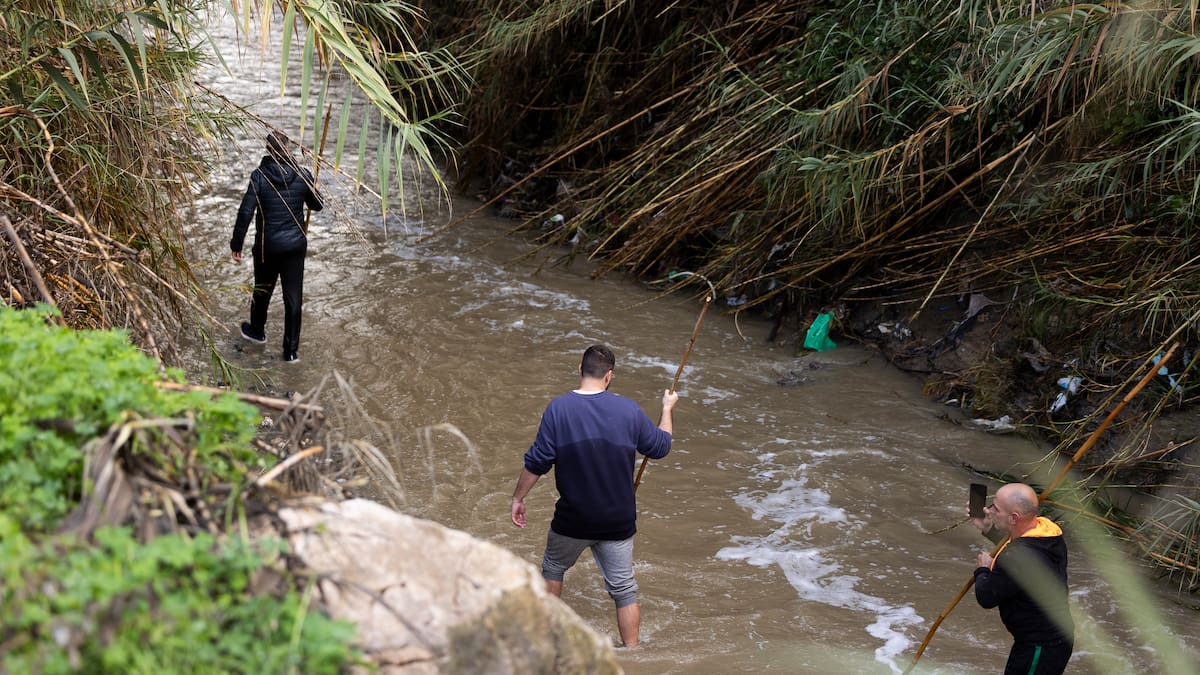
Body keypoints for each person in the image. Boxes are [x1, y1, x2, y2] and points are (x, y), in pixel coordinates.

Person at [511, 344, 679, 648]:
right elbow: (660, 446)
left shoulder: (559, 409)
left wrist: (518, 498)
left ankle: (548, 642)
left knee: (553, 569)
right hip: (617, 520)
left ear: (580, 370)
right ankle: (633, 653)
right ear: (609, 376)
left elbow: (538, 461)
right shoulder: (629, 410)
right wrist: (667, 409)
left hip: (573, 519)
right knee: (624, 589)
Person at [230, 132, 323, 363]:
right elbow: (317, 205)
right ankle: (290, 352)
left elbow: (245, 212)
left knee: (262, 290)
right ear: (288, 149)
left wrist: (237, 244)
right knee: (293, 297)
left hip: (268, 247)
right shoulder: (303, 174)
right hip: (295, 246)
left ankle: (257, 332)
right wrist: (314, 186)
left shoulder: (259, 176)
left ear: (268, 151)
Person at [969, 482, 1074, 674]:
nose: (989, 511)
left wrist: (983, 570)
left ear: (1014, 518)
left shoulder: (1018, 556)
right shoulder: (1047, 532)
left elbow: (986, 596)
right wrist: (989, 528)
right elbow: (1018, 547)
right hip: (1052, 640)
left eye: (996, 509)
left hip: (1040, 646)